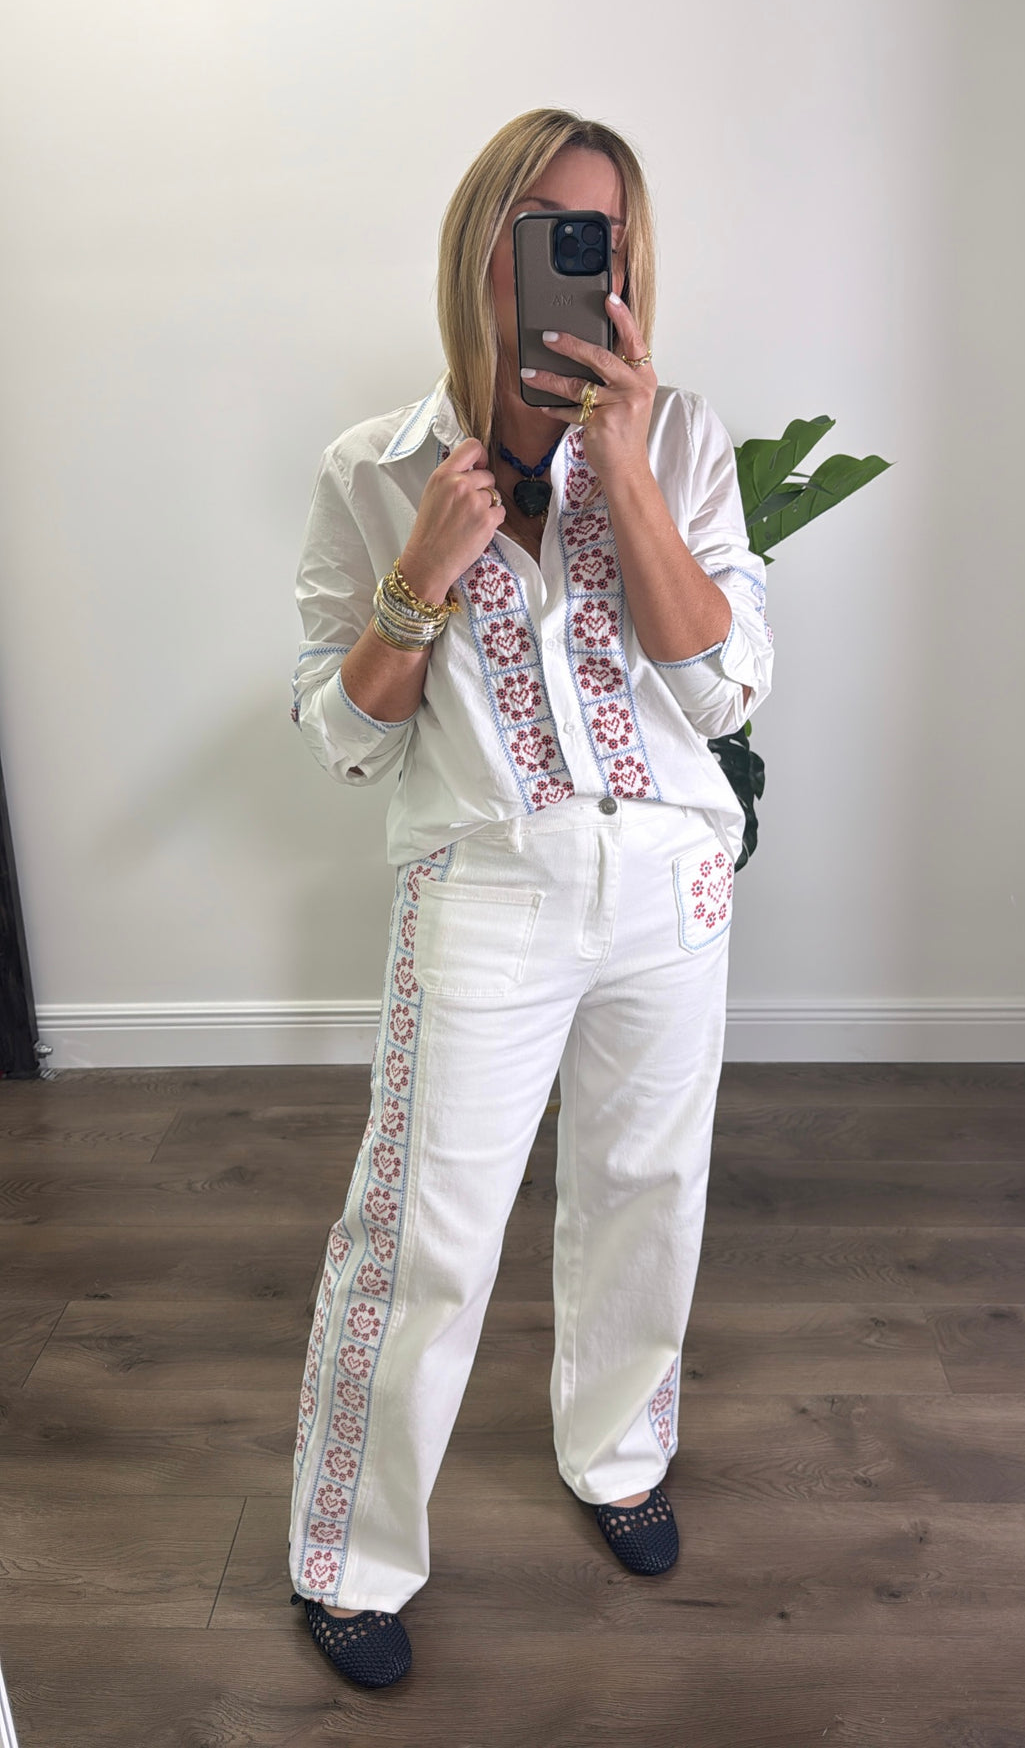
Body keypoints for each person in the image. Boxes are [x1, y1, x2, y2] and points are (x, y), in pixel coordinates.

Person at [286, 107, 774, 1688]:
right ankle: (346, 1556)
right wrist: (419, 576)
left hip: (669, 882)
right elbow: (345, 737)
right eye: (551, 229)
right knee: (420, 1237)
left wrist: (624, 472)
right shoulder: (375, 470)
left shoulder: (682, 439)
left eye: (606, 235)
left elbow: (727, 690)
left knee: (649, 1194)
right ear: (482, 248)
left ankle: (620, 1457)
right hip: (487, 884)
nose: (585, 259)